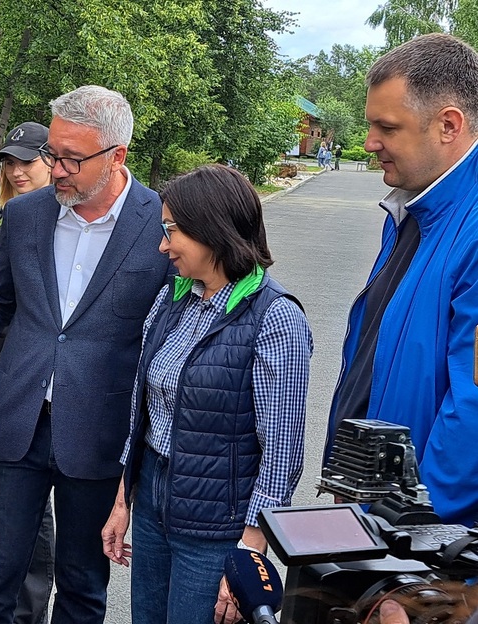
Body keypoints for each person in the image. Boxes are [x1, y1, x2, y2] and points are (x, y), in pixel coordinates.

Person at [0, 85, 174, 624]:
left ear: (117, 156)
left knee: (82, 588)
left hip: (100, 434)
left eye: (72, 157)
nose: (57, 168)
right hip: (16, 421)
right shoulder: (25, 215)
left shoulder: (161, 222)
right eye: (53, 154)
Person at [100, 164, 313, 624]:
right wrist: (124, 500)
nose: (163, 245)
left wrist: (249, 552)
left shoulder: (275, 319)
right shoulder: (173, 298)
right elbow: (145, 408)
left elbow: (281, 453)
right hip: (156, 496)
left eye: (171, 231)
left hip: (219, 522)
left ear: (211, 232)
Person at [324, 33, 478, 528]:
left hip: (421, 539)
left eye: (386, 127)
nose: (370, 143)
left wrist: (412, 533)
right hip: (373, 507)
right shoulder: (413, 210)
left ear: (448, 125)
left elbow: (472, 409)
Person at [0, 121, 56, 624]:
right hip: (13, 387)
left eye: (27, 161)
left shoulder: (69, 224)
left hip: (64, 394)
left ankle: (30, 611)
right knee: (16, 522)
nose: (15, 170)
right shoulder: (14, 221)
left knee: (42, 526)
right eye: (8, 161)